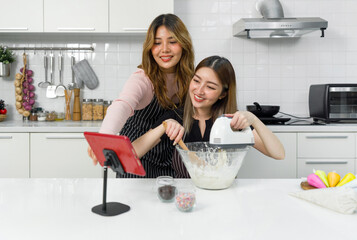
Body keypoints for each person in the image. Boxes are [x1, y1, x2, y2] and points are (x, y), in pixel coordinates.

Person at [131, 56, 285, 178]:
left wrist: (254, 120)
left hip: (224, 196)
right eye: (196, 81)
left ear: (223, 94)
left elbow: (279, 154)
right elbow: (132, 153)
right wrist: (163, 126)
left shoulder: (232, 123)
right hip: (185, 198)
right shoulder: (176, 116)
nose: (199, 90)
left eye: (210, 87)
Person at [87, 14, 195, 178]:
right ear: (150, 47)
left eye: (172, 42)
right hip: (135, 158)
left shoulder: (190, 80)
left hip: (168, 160)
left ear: (184, 44)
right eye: (157, 43)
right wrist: (104, 137)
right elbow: (122, 105)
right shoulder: (143, 78)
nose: (164, 49)